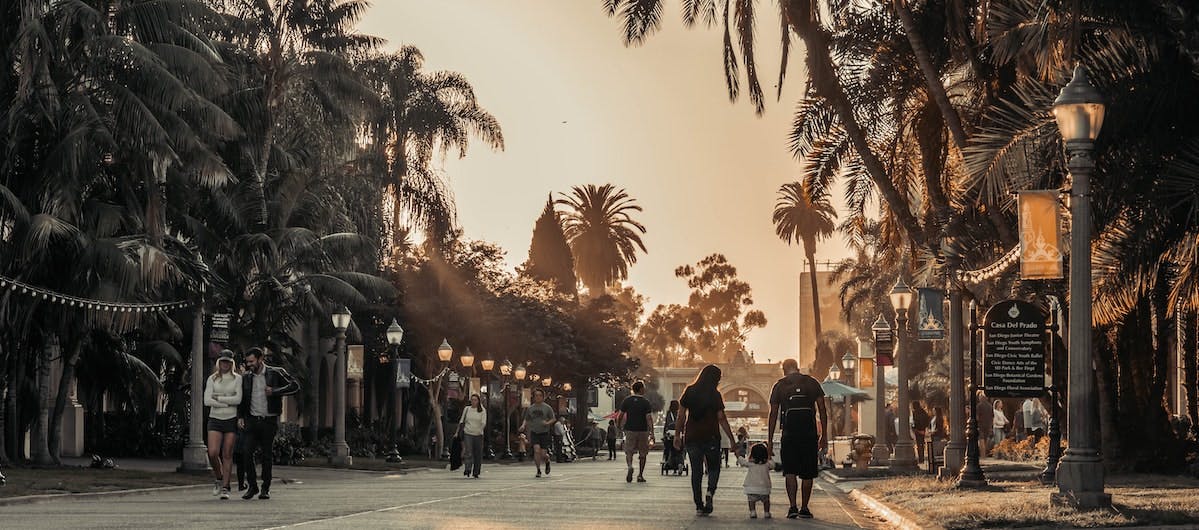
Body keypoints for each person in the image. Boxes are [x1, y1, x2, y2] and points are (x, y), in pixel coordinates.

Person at [767, 359, 827, 519]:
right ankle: (805, 508)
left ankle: (793, 507)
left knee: (790, 471)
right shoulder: (812, 383)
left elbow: (773, 414)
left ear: (784, 370)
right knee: (808, 473)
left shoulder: (780, 385)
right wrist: (824, 435)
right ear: (798, 368)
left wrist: (770, 441)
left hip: (789, 434)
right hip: (809, 434)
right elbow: (822, 410)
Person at [675, 364, 738, 516]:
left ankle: (698, 504)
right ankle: (710, 492)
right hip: (711, 437)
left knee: (696, 471)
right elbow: (721, 418)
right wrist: (732, 439)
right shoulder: (715, 395)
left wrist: (677, 435)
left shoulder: (689, 391)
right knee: (714, 468)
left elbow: (681, 416)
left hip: (692, 437)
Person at [237, 347, 299, 500]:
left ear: (260, 359)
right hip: (251, 420)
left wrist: (275, 391)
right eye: (247, 362)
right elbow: (243, 399)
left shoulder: (275, 372)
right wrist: (240, 416)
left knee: (266, 455)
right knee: (246, 452)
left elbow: (295, 385)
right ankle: (252, 486)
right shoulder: (246, 378)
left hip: (268, 421)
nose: (249, 364)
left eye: (252, 361)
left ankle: (265, 487)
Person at [203, 351, 242, 500]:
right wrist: (227, 400)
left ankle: (226, 486)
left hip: (231, 419)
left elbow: (238, 399)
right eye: (223, 361)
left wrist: (219, 399)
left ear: (232, 363)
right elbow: (207, 400)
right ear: (219, 362)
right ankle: (218, 477)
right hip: (215, 418)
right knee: (212, 452)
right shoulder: (212, 379)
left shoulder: (237, 378)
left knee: (227, 453)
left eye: (228, 362)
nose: (225, 364)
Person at [618, 380, 654, 483]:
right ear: (641, 389)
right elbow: (649, 418)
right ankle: (640, 475)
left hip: (630, 429)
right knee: (643, 454)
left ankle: (630, 466)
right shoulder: (646, 402)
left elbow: (620, 416)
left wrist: (619, 426)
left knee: (629, 451)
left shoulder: (627, 401)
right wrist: (652, 433)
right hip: (643, 430)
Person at [519, 388, 556, 477]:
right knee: (536, 450)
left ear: (543, 397)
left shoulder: (547, 408)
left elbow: (553, 418)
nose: (538, 397)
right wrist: (523, 425)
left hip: (544, 432)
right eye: (536, 395)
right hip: (534, 432)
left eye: (540, 395)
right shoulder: (531, 408)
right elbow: (526, 419)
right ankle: (538, 470)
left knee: (543, 454)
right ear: (534, 397)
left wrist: (547, 423)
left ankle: (547, 461)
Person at [738, 442, 774, 519]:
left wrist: (737, 455)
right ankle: (767, 512)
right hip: (765, 488)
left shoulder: (750, 464)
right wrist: (770, 456)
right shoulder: (767, 464)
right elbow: (773, 465)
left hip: (751, 488)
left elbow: (742, 461)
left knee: (751, 500)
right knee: (766, 500)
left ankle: (753, 512)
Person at [456, 393, 487, 478]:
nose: (473, 401)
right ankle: (467, 468)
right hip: (468, 432)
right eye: (472, 400)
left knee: (477, 453)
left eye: (475, 400)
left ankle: (476, 471)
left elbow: (483, 422)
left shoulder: (482, 410)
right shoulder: (467, 409)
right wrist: (457, 432)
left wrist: (480, 430)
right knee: (468, 452)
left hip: (478, 434)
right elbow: (462, 421)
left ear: (478, 401)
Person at [662, 400, 679, 470]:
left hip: (669, 434)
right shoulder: (679, 413)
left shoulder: (669, 413)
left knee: (667, 447)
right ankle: (680, 461)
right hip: (678, 433)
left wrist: (664, 434)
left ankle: (667, 460)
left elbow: (666, 424)